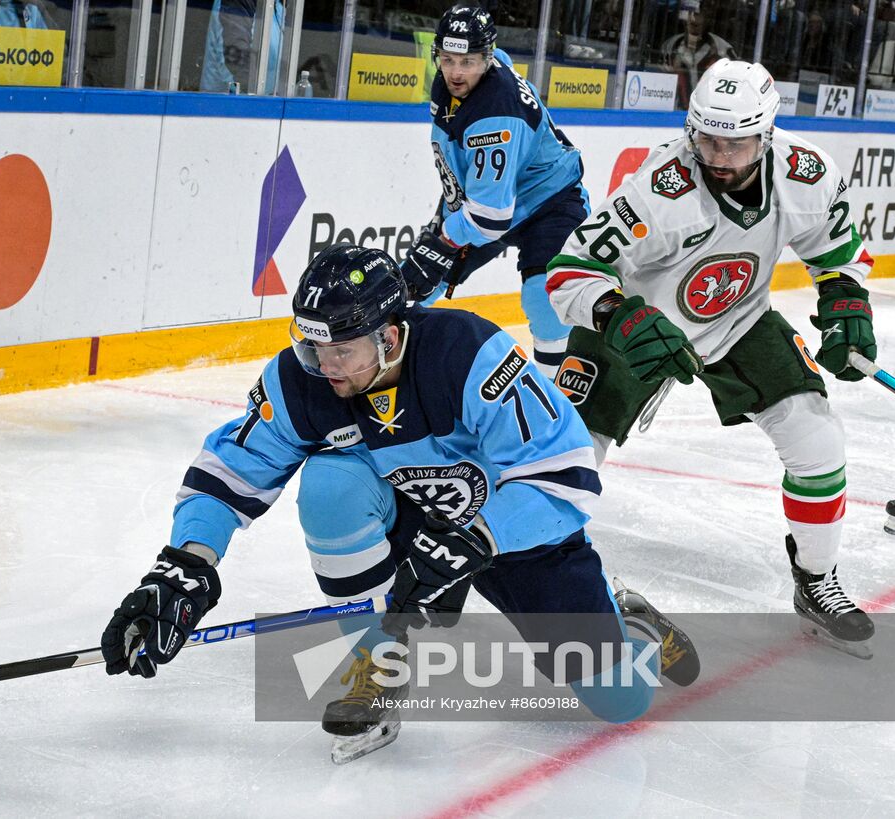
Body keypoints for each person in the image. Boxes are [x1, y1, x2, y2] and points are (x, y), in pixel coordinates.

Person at [101, 243, 699, 764]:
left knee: (620, 699)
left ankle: (626, 616)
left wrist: (479, 536)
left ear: (388, 337)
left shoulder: (467, 354)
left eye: (340, 350)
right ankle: (378, 659)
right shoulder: (304, 381)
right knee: (331, 485)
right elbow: (232, 471)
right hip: (415, 513)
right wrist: (183, 567)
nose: (323, 367)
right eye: (311, 347)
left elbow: (563, 473)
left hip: (515, 524)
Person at [545, 58, 877, 658]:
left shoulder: (806, 173)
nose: (719, 156)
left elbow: (837, 253)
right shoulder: (658, 189)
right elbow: (570, 271)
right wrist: (620, 316)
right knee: (561, 465)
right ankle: (557, 588)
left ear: (767, 135)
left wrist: (846, 302)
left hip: (737, 318)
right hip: (632, 328)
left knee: (817, 437)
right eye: (708, 139)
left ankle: (816, 579)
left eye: (736, 143)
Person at [399, 6, 587, 381]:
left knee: (544, 297)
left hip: (550, 201)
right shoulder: (480, 67)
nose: (455, 72)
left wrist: (444, 238)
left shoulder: (497, 116)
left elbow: (489, 219)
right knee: (416, 285)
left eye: (467, 62)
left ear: (486, 59)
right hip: (490, 199)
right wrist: (441, 228)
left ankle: (556, 394)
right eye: (448, 59)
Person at [200, 0, 284, 93]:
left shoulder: (278, 5)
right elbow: (235, 60)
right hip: (230, 98)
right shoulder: (237, 3)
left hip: (268, 98)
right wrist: (258, 97)